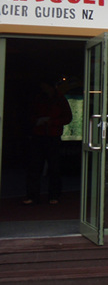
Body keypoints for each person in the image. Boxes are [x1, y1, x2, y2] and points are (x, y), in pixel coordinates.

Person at [24, 77, 73, 205]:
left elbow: (68, 117)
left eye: (45, 86)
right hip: (40, 135)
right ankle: (33, 195)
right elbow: (30, 115)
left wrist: (52, 122)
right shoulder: (39, 98)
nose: (44, 89)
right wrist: (38, 121)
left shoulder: (60, 99)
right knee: (35, 167)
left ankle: (54, 195)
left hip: (52, 135)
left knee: (54, 167)